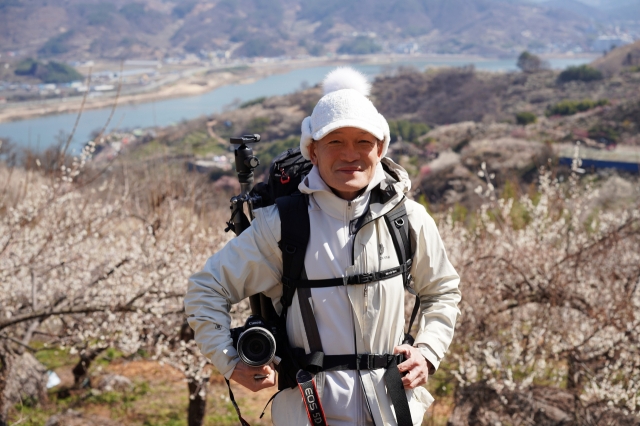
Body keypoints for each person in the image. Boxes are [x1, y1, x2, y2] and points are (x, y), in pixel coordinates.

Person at [185, 67, 461, 425]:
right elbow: (206, 288)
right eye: (335, 142)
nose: (350, 154)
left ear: (380, 148)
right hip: (308, 412)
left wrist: (427, 352)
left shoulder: (408, 218)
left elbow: (442, 290)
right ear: (312, 151)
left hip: (392, 410)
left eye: (363, 142)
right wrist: (229, 360)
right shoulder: (283, 226)